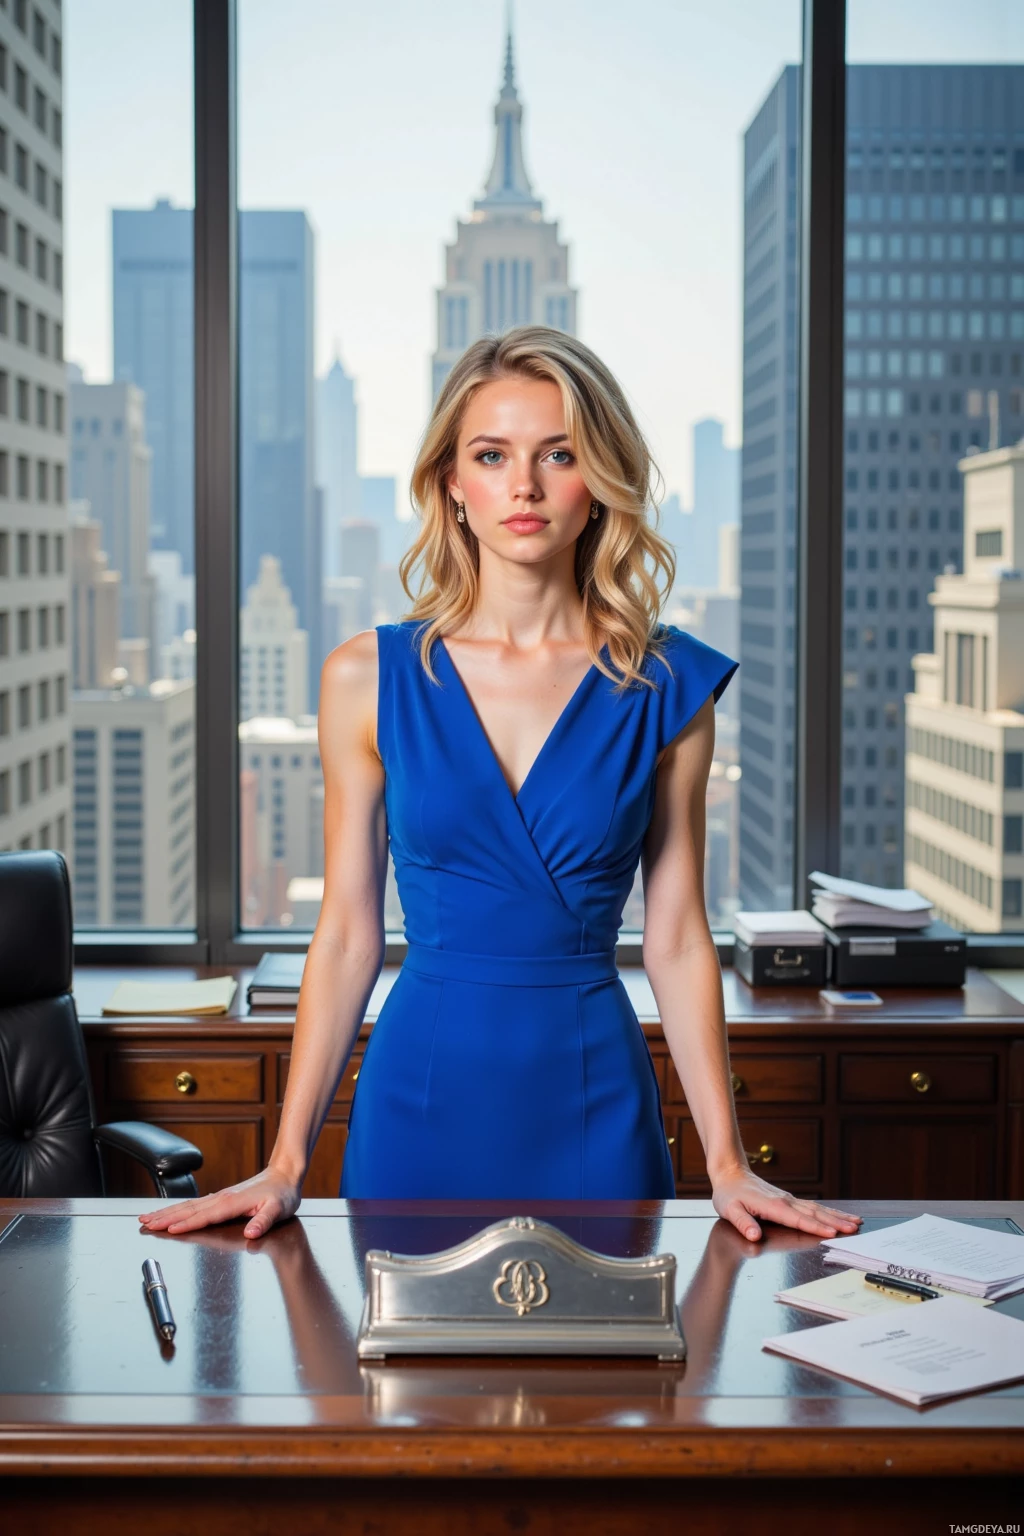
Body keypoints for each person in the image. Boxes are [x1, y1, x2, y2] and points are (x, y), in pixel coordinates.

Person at [140, 326, 861, 1246]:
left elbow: (679, 937)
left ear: (599, 479)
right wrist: (285, 1164)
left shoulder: (665, 684)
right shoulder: (366, 678)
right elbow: (349, 932)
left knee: (612, 1341)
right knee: (402, 1343)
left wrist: (727, 1162)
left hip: (595, 1103)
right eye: (491, 456)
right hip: (419, 1105)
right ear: (452, 481)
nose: (523, 486)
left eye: (558, 454)